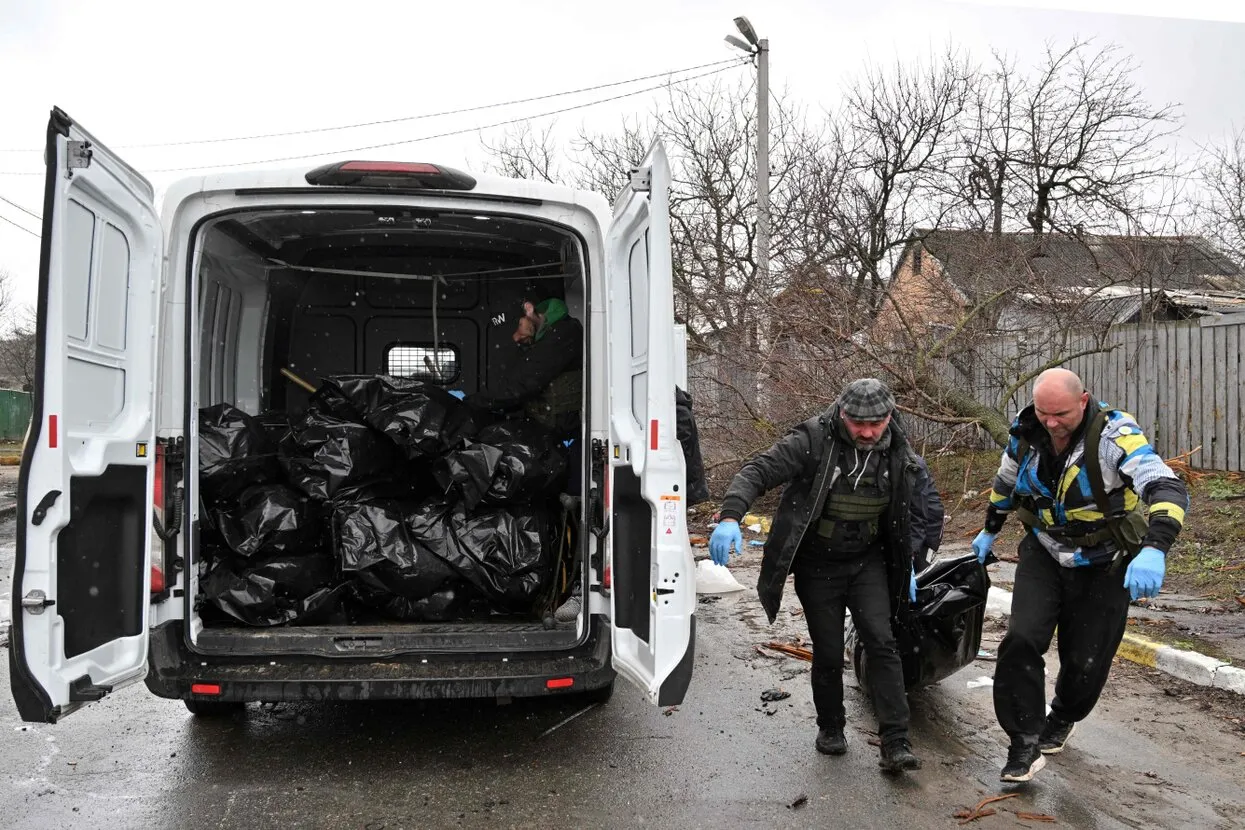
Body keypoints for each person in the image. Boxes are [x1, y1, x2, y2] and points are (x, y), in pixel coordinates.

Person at [972, 368, 1188, 783]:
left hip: (1103, 561)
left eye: (1061, 414)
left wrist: (1155, 549)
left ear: (1084, 400)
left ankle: (1064, 716)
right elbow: (1005, 482)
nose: (1051, 423)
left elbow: (1166, 487)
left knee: (1085, 660)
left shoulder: (1115, 437)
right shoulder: (1026, 431)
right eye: (1043, 412)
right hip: (1044, 551)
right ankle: (1023, 742)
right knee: (1021, 639)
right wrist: (989, 529)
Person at [710, 378, 927, 773]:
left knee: (881, 642)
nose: (865, 432)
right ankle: (831, 727)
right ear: (841, 413)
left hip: (868, 561)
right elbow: (758, 470)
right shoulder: (812, 438)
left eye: (874, 424)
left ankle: (895, 740)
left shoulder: (899, 450)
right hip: (819, 564)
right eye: (856, 423)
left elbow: (918, 507)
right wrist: (730, 516)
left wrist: (913, 559)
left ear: (889, 417)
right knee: (827, 650)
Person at [911, 455, 945, 571]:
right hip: (916, 523)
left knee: (921, 573)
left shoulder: (911, 463)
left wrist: (912, 549)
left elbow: (921, 510)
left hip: (929, 527)